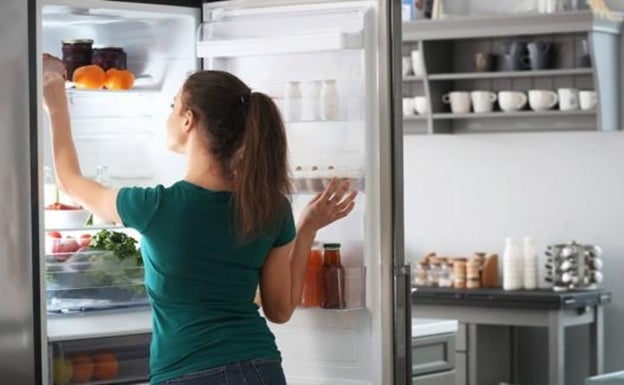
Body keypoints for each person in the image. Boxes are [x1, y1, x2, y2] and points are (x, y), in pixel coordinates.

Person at [42, 55, 357, 385]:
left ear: (188, 120)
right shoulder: (270, 206)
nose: (169, 115)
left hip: (188, 374)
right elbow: (279, 310)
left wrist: (57, 106)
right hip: (260, 369)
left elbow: (70, 182)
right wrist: (306, 228)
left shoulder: (155, 206)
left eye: (173, 105)